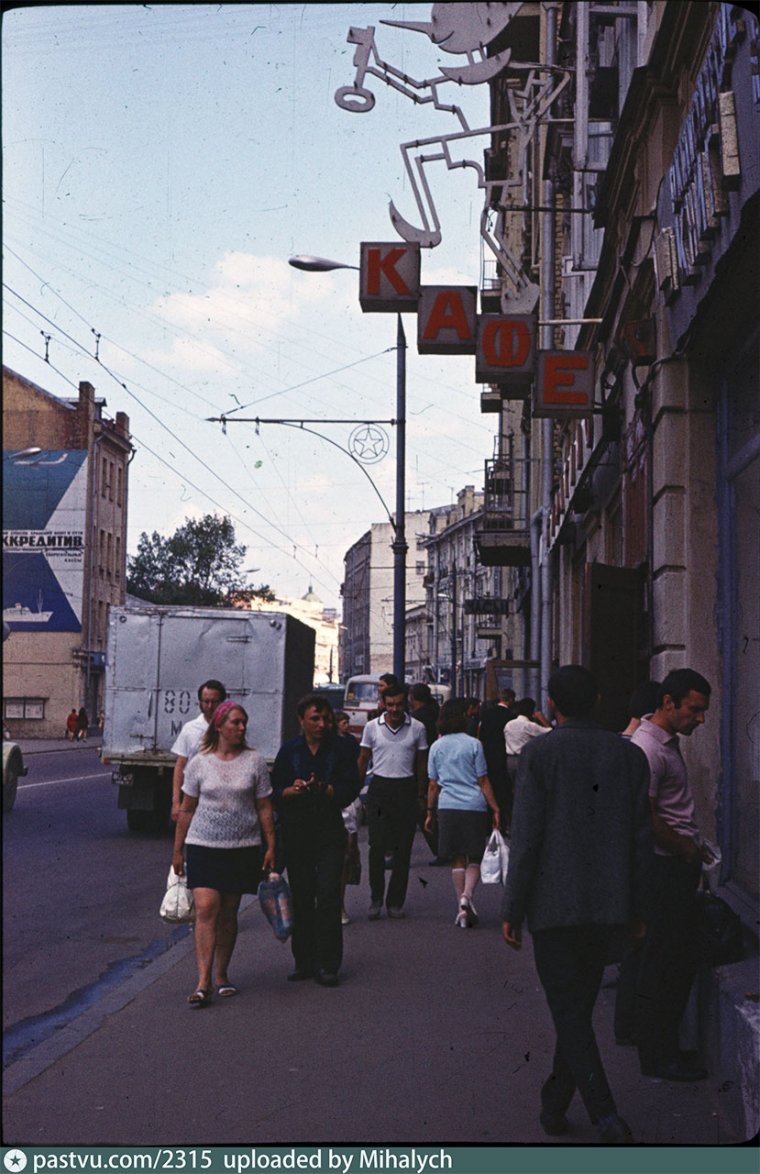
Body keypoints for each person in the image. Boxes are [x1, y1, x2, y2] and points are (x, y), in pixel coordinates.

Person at [501, 665, 652, 1145]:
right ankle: (553, 1104)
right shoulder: (628, 757)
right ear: (600, 698)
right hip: (609, 906)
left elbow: (527, 839)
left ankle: (607, 1115)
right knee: (576, 1009)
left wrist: (511, 907)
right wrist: (638, 908)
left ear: (551, 704)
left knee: (569, 1012)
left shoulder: (539, 755)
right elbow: (640, 839)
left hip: (554, 907)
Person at [631, 669, 715, 1082]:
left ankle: (661, 1048)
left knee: (671, 960)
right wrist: (686, 849)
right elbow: (646, 816)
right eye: (694, 709)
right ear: (668, 703)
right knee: (665, 962)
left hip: (674, 866)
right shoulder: (649, 748)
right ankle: (659, 1055)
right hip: (665, 868)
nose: (700, 719)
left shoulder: (664, 743)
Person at [172, 700, 275, 1007]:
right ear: (219, 726)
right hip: (203, 845)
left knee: (229, 914)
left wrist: (271, 845)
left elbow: (264, 807)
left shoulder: (255, 762)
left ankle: (222, 975)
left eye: (244, 723)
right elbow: (187, 808)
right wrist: (177, 851)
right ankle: (202, 982)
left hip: (242, 848)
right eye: (235, 722)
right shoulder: (199, 762)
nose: (242, 728)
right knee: (206, 908)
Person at [271, 694, 361, 987]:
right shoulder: (290, 751)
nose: (322, 724)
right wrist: (291, 790)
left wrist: (324, 789)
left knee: (327, 895)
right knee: (302, 896)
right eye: (315, 719)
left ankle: (328, 964)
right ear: (302, 721)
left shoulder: (342, 748)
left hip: (329, 831)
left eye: (326, 719)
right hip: (297, 833)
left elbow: (350, 788)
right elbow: (275, 792)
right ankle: (304, 961)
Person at [425, 699, 500, 928]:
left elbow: (432, 784)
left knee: (456, 857)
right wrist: (495, 808)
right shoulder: (474, 744)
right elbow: (483, 779)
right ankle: (468, 896)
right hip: (474, 806)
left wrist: (429, 811)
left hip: (447, 806)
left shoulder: (436, 747)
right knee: (474, 856)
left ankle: (461, 906)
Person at [614, 679, 661, 1046]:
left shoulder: (616, 746)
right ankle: (629, 1023)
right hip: (637, 857)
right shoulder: (641, 751)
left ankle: (625, 1020)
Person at [358, 682, 428, 920]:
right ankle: (376, 898)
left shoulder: (417, 728)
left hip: (406, 790)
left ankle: (395, 902)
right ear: (383, 704)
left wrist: (421, 795)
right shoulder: (371, 728)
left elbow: (421, 763)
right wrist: (356, 791)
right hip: (380, 789)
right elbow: (363, 759)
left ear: (406, 702)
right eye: (390, 705)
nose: (395, 709)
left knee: (402, 849)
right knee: (376, 846)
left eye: (399, 704)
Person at [170, 680, 227, 822]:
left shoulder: (231, 728)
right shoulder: (190, 729)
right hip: (193, 796)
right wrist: (176, 802)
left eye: (214, 702)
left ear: (223, 702)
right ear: (200, 702)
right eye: (206, 701)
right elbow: (180, 766)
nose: (210, 706)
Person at [409, 683, 441, 859]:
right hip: (435, 760)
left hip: (420, 764)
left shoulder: (417, 719)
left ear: (412, 698)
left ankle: (439, 848)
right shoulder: (434, 712)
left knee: (421, 808)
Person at [477, 688, 516, 831]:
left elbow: (482, 735)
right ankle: (501, 823)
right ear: (510, 699)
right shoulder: (511, 716)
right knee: (503, 790)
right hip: (503, 755)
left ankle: (487, 822)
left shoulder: (487, 714)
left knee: (488, 786)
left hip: (488, 755)